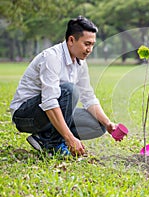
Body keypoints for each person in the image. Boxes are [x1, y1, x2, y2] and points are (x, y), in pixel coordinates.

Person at [10, 16, 116, 156]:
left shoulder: (80, 63)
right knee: (69, 91)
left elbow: (88, 97)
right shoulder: (52, 57)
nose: (90, 49)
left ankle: (43, 138)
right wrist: (69, 138)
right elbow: (49, 101)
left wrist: (108, 124)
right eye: (87, 44)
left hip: (48, 113)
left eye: (92, 44)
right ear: (71, 40)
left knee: (98, 125)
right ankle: (53, 145)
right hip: (25, 116)